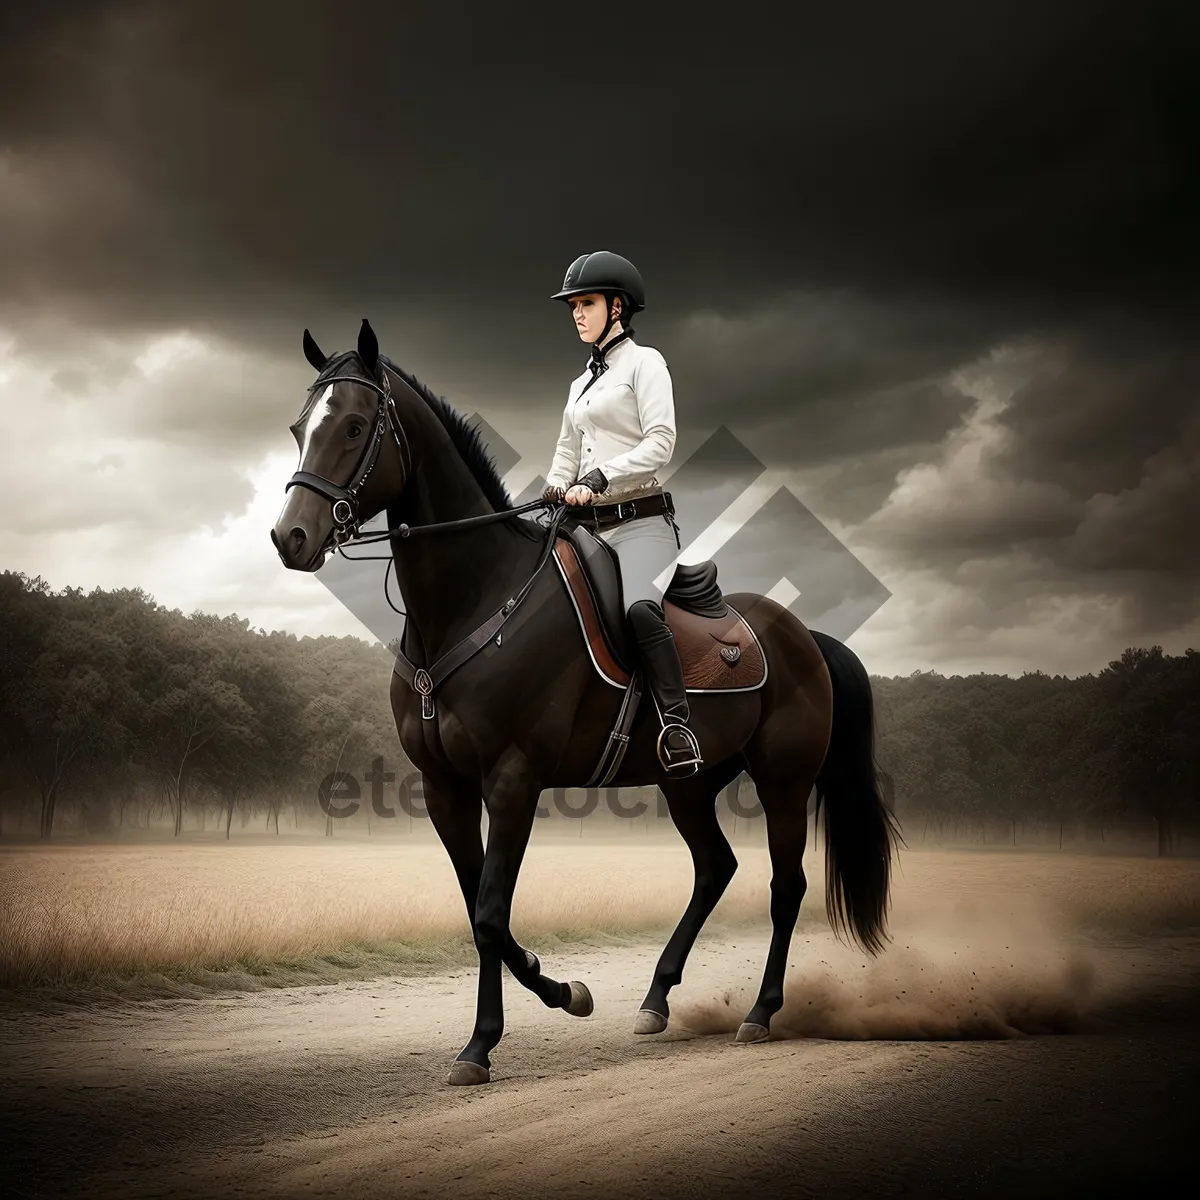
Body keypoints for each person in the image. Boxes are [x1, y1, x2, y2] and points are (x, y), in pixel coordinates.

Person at [542, 251, 703, 775]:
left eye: (585, 303)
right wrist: (556, 484)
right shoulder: (577, 385)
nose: (577, 314)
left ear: (617, 307)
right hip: (585, 527)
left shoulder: (646, 362)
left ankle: (677, 724)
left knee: (638, 609)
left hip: (641, 523)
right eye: (572, 307)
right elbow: (567, 450)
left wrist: (600, 479)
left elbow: (661, 443)